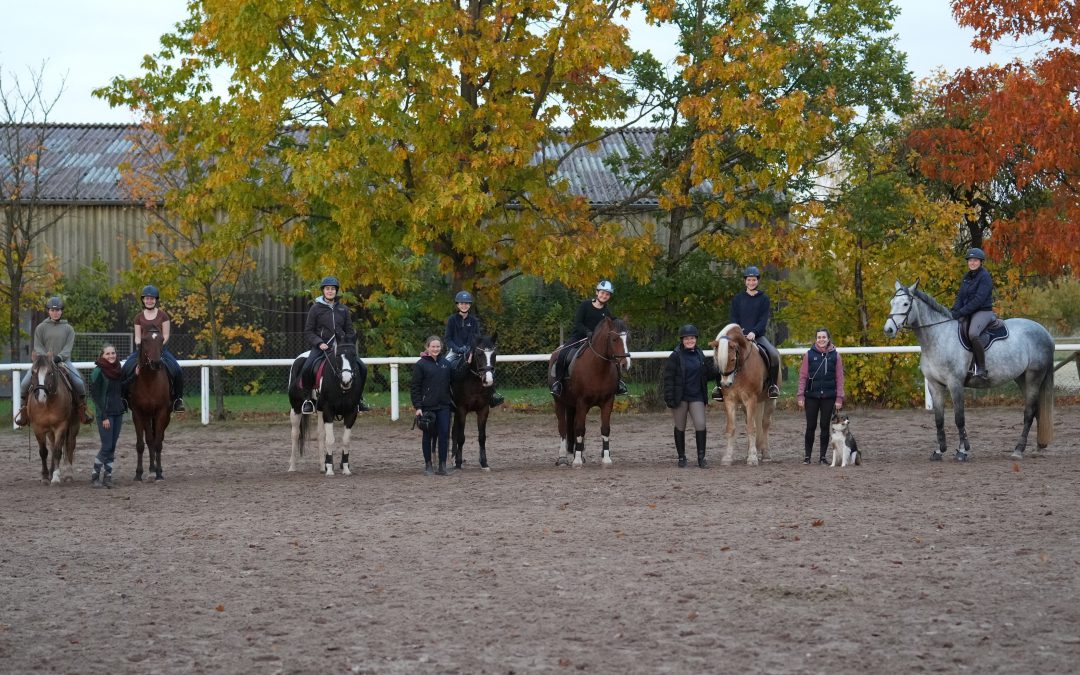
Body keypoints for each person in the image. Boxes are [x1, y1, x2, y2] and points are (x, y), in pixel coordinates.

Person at [15, 296, 94, 426]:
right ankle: (24, 411)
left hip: (63, 361)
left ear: (62, 311)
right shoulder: (40, 327)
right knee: (24, 383)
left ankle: (82, 409)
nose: (55, 312)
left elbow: (68, 348)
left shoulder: (68, 328)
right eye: (52, 310)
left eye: (58, 310)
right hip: (43, 363)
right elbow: (38, 346)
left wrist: (59, 357)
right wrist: (46, 358)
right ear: (48, 311)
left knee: (79, 382)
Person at [299, 276, 371, 414]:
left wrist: (347, 343)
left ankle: (359, 399)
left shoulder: (343, 309)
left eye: (332, 289)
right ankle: (308, 400)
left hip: (341, 349)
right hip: (322, 347)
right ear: (323, 291)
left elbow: (349, 331)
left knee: (362, 368)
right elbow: (309, 331)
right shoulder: (315, 309)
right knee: (307, 367)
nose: (330, 291)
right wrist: (319, 343)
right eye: (327, 289)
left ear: (336, 291)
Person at [549, 280, 628, 397]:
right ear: (597, 292)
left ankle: (618, 384)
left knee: (614, 357)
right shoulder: (585, 305)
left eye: (607, 294)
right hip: (580, 336)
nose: (604, 296)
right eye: (602, 293)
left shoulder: (606, 311)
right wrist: (587, 332)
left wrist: (621, 323)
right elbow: (578, 323)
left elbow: (614, 322)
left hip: (597, 341)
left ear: (609, 297)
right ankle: (558, 383)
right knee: (563, 354)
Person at [715, 266, 780, 401]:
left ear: (758, 281)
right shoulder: (737, 299)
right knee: (721, 356)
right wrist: (739, 333)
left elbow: (763, 320)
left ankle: (772, 385)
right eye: (749, 280)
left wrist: (754, 333)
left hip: (757, 336)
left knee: (773, 354)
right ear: (745, 281)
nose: (751, 282)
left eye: (754, 280)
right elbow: (734, 318)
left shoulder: (764, 299)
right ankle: (719, 388)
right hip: (739, 337)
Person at [121, 285, 185, 412]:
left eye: (152, 298)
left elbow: (166, 335)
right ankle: (123, 399)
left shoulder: (163, 316)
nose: (149, 301)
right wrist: (141, 346)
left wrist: (158, 346)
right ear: (143, 300)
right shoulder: (138, 317)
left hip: (160, 350)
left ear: (156, 300)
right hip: (143, 350)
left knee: (177, 370)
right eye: (146, 298)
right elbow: (137, 337)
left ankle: (178, 400)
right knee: (125, 368)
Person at [662, 324, 717, 468]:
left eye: (692, 338)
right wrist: (669, 397)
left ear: (696, 339)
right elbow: (668, 378)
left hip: (697, 396)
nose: (689, 341)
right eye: (686, 339)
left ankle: (701, 458)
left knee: (700, 424)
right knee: (680, 426)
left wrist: (714, 366)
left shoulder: (700, 355)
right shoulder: (675, 356)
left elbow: (707, 375)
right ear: (682, 340)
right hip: (680, 397)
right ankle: (681, 457)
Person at [444, 290, 504, 407]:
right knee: (444, 368)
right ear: (457, 305)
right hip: (454, 352)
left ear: (469, 305)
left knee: (487, 368)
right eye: (462, 303)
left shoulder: (474, 321)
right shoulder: (452, 320)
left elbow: (477, 339)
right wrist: (457, 349)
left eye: (466, 303)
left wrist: (469, 349)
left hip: (470, 351)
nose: (464, 305)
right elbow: (448, 339)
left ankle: (492, 395)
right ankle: (447, 398)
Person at [796, 327, 845, 464]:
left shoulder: (836, 356)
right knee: (810, 426)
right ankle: (807, 457)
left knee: (824, 426)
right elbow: (803, 376)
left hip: (829, 397)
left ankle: (823, 457)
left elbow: (840, 378)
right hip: (811, 396)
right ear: (816, 339)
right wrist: (800, 395)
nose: (821, 339)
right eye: (819, 337)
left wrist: (839, 397)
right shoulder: (808, 355)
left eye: (824, 337)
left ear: (828, 338)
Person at [411, 335, 455, 476]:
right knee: (427, 436)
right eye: (433, 346)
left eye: (438, 346)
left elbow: (452, 384)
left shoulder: (446, 364)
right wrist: (418, 407)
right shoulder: (420, 365)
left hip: (444, 406)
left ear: (441, 347)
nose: (435, 349)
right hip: (427, 407)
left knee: (444, 435)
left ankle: (442, 465)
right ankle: (428, 465)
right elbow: (415, 387)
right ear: (427, 347)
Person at [950, 247, 994, 382]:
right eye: (970, 260)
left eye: (975, 260)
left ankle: (981, 368)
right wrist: (953, 311)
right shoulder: (967, 277)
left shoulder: (985, 276)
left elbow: (978, 300)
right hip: (969, 311)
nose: (972, 263)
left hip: (983, 311)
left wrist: (961, 312)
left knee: (973, 333)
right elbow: (960, 297)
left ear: (980, 262)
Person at [89, 344, 128, 488]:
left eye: (113, 353)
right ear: (102, 355)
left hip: (118, 412)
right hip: (105, 414)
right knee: (106, 446)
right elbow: (95, 396)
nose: (111, 356)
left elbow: (122, 387)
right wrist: (104, 416)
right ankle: (94, 476)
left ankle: (108, 477)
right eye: (108, 354)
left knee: (112, 447)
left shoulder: (118, 369)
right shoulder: (98, 371)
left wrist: (135, 375)